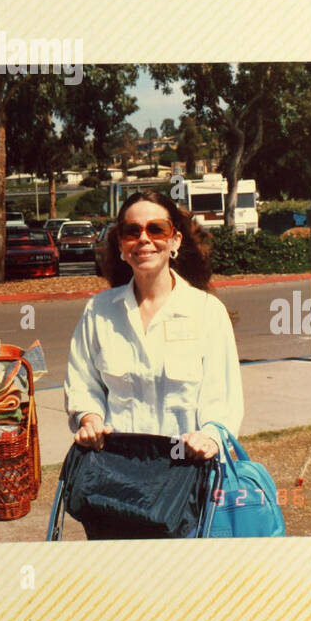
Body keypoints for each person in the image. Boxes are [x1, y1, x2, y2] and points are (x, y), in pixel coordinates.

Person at [64, 190, 243, 539]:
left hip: (182, 478)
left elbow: (223, 397)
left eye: (156, 229)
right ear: (120, 244)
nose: (143, 239)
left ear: (174, 240)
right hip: (114, 480)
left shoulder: (207, 313)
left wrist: (209, 436)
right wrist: (90, 418)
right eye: (131, 231)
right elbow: (82, 382)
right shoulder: (99, 311)